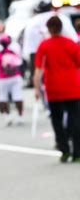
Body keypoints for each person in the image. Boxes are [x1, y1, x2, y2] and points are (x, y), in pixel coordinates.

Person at [33, 16, 80, 163]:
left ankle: (64, 149)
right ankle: (77, 152)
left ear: (49, 29)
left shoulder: (44, 45)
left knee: (57, 120)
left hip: (53, 89)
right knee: (75, 119)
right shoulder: (71, 44)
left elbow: (38, 71)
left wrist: (36, 88)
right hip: (73, 87)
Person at [22, 0, 77, 84]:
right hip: (67, 72)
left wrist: (34, 77)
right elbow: (75, 43)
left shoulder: (31, 24)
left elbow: (32, 54)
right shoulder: (62, 18)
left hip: (47, 77)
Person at [0, 33, 24, 126]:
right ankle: (20, 115)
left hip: (3, 79)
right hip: (15, 77)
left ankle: (8, 116)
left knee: (3, 98)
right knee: (18, 97)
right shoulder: (13, 52)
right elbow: (19, 63)